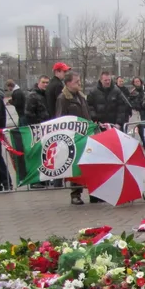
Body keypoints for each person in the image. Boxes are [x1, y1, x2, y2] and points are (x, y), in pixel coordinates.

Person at [55, 71, 91, 205]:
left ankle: (93, 193)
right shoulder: (63, 98)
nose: (79, 84)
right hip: (74, 137)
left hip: (85, 134)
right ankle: (75, 193)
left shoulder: (81, 96)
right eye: (77, 82)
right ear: (68, 83)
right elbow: (60, 119)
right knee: (76, 167)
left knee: (88, 165)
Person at [5, 79, 28, 179]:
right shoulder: (19, 91)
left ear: (10, 86)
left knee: (22, 128)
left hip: (22, 115)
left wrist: (11, 101)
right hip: (22, 114)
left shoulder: (17, 93)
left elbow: (18, 103)